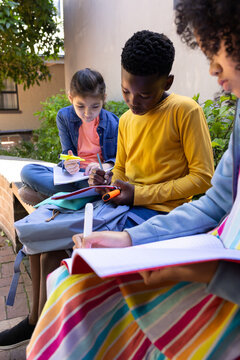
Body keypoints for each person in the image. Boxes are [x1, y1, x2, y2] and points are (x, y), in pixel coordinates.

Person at [0, 30, 214, 351]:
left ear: (166, 83)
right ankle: (37, 322)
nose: (132, 102)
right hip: (120, 207)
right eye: (126, 91)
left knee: (52, 245)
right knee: (46, 247)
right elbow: (124, 173)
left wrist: (135, 194)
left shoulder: (185, 112)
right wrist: (106, 178)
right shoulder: (127, 120)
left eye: (143, 95)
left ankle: (44, 328)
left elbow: (203, 179)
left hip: (158, 216)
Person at [18, 68, 119, 206]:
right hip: (72, 177)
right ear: (71, 98)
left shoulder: (113, 122)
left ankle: (62, 196)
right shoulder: (64, 116)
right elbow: (67, 153)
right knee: (28, 171)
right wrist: (69, 163)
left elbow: (117, 161)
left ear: (103, 99)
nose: (87, 113)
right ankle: (80, 198)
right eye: (80, 106)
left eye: (95, 106)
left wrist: (104, 166)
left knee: (97, 187)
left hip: (94, 180)